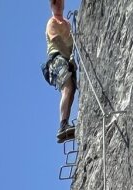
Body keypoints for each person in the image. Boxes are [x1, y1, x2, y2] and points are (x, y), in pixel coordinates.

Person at [44, 1, 77, 143]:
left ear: (63, 5)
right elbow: (58, 42)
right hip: (57, 58)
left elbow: (72, 42)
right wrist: (70, 56)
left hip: (68, 58)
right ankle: (63, 125)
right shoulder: (52, 23)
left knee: (72, 91)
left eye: (59, 2)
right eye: (54, 3)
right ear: (51, 6)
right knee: (67, 87)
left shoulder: (67, 24)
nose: (57, 5)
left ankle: (66, 125)